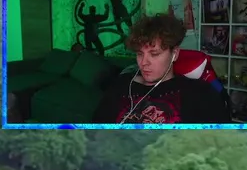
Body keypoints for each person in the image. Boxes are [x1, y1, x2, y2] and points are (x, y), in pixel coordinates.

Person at [92, 13, 232, 125]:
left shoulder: (199, 93)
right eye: (140, 54)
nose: (144, 63)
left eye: (154, 54)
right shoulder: (121, 86)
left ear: (174, 54)